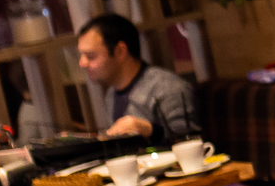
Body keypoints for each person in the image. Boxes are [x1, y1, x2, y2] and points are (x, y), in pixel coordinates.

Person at [76, 13, 201, 146]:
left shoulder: (167, 87)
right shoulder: (111, 94)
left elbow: (191, 143)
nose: (82, 63)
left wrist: (151, 131)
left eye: (91, 56)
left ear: (120, 51)